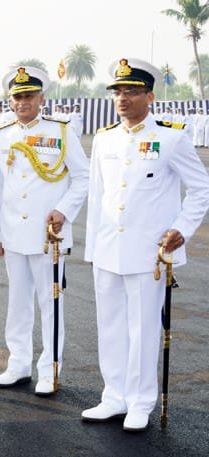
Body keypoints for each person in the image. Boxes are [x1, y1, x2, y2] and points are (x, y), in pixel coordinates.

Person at [83, 58, 209, 431]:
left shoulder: (171, 136)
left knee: (143, 328)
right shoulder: (104, 138)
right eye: (119, 92)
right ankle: (113, 396)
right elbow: (97, 197)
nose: (123, 98)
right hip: (108, 248)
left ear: (149, 96)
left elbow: (200, 188)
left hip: (149, 252)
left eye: (132, 92)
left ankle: (140, 402)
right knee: (110, 326)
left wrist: (182, 228)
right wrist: (92, 249)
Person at [0, 66, 89, 395]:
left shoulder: (60, 132)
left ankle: (49, 369)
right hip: (14, 233)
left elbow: (83, 177)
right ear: (10, 100)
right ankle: (18, 363)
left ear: (41, 98)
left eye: (29, 95)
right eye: (17, 96)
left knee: (51, 302)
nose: (22, 102)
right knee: (17, 302)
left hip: (50, 236)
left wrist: (64, 210)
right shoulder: (1, 136)